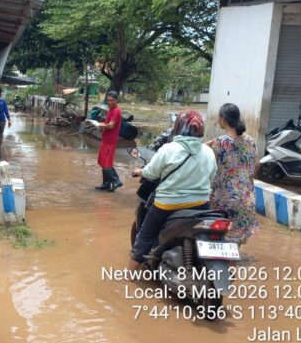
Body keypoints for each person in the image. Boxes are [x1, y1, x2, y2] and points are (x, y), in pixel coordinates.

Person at [129, 110, 216, 268]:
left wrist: (140, 171)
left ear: (178, 127)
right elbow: (211, 177)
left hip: (168, 204)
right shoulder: (208, 151)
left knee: (145, 235)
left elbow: (152, 172)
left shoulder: (169, 149)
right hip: (201, 204)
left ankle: (128, 277)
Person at [207, 103, 259, 244]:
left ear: (223, 119)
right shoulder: (251, 142)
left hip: (223, 202)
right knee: (235, 245)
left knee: (216, 240)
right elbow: (255, 166)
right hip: (247, 201)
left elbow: (205, 161)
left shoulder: (219, 143)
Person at [90, 90, 123, 191]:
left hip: (110, 142)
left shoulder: (116, 111)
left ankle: (116, 181)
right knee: (102, 162)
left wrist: (98, 124)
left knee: (107, 164)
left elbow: (111, 125)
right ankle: (106, 184)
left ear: (116, 100)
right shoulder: (110, 110)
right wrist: (97, 125)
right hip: (105, 140)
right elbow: (107, 123)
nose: (109, 102)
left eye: (111, 100)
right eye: (108, 100)